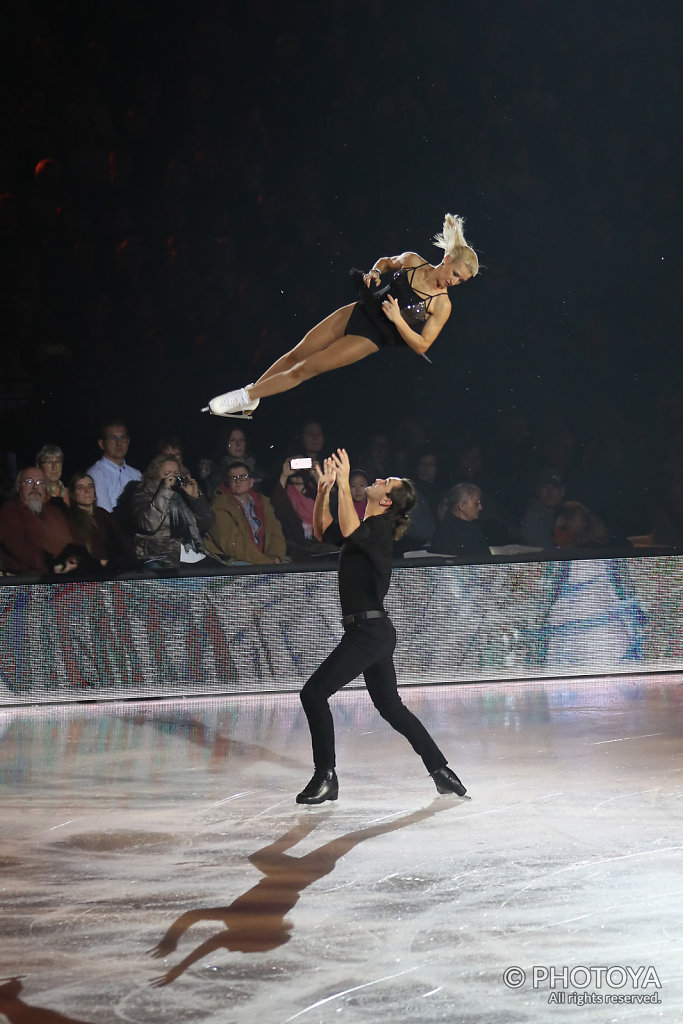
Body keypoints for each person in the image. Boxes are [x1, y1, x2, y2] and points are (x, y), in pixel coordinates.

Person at [296, 447, 467, 804]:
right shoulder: (368, 528)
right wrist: (326, 488)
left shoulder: (379, 527)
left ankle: (325, 775)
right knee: (390, 707)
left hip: (369, 632)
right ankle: (442, 771)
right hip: (372, 632)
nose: (376, 480)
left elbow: (346, 526)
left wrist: (343, 482)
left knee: (314, 693)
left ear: (387, 501)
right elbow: (323, 531)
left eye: (384, 482)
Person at [206, 213, 478, 417]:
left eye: (461, 281)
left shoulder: (442, 305)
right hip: (359, 310)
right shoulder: (412, 261)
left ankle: (245, 395)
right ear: (446, 260)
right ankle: (253, 396)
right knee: (295, 355)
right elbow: (384, 263)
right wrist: (373, 273)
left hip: (373, 336)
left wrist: (397, 320)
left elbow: (422, 345)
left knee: (306, 368)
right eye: (456, 274)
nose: (455, 282)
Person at [131, 454, 216, 570]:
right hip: (164, 556)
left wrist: (196, 498)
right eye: (167, 474)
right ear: (154, 475)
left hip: (196, 554)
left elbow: (206, 523)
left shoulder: (183, 493)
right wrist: (165, 491)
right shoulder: (143, 493)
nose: (173, 478)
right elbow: (149, 525)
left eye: (176, 474)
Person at [204, 461, 287, 565]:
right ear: (228, 482)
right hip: (234, 560)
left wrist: (275, 556)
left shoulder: (263, 503)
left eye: (243, 477)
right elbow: (233, 544)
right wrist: (266, 562)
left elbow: (275, 533)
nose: (238, 481)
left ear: (251, 481)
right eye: (233, 478)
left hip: (264, 559)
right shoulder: (220, 506)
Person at [0, 467, 75, 574]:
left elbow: (72, 542)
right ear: (18, 486)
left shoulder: (55, 512)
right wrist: (58, 564)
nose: (35, 487)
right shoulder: (9, 511)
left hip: (66, 575)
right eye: (29, 481)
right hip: (32, 581)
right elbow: (24, 553)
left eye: (40, 483)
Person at [65, 473, 138, 572]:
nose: (87, 491)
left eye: (90, 486)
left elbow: (122, 540)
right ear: (73, 494)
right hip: (89, 570)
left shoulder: (102, 514)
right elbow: (78, 552)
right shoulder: (70, 518)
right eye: (80, 487)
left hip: (111, 567)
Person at [86, 419, 142, 513]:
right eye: (113, 438)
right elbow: (104, 512)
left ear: (128, 441)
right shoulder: (95, 473)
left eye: (123, 438)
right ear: (101, 443)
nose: (119, 443)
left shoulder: (137, 474)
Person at [431, 483, 491, 560]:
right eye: (476, 504)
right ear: (461, 506)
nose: (480, 507)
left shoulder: (473, 527)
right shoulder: (448, 533)